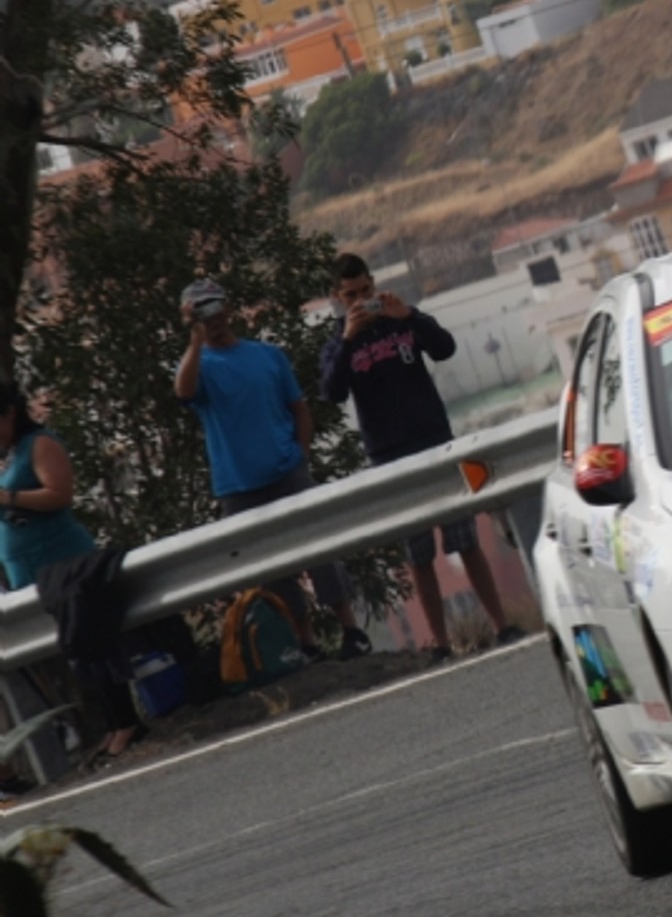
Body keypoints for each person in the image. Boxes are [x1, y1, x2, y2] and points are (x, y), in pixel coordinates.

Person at [318, 253, 520, 662]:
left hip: (435, 440)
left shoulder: (402, 318)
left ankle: (502, 626)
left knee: (466, 539)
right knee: (419, 553)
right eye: (351, 296)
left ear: (375, 284)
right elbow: (331, 392)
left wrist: (409, 316)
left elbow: (444, 348)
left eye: (366, 291)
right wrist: (348, 339)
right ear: (337, 298)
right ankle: (441, 644)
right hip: (390, 456)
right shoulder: (337, 341)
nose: (362, 301)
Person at [173, 278, 371, 660]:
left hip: (286, 471)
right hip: (238, 486)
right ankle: (305, 641)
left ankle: (350, 630)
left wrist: (300, 452)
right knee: (272, 570)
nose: (212, 317)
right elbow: (183, 392)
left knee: (320, 550)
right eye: (201, 310)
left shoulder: (267, 355)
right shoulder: (200, 365)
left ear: (228, 307)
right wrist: (194, 341)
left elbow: (299, 408)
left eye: (214, 306)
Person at [0, 380, 143, 764]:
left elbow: (59, 494)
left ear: (9, 413)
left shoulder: (40, 444)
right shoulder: (10, 456)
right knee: (74, 650)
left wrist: (7, 497)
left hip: (62, 559)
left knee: (91, 639)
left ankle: (125, 723)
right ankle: (111, 726)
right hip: (29, 569)